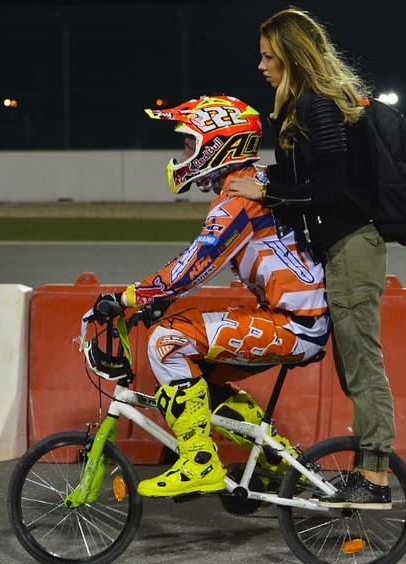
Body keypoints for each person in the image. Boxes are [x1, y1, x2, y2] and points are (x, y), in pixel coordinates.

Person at [92, 95, 329, 498]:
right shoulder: (256, 185)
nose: (183, 154)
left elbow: (194, 266)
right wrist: (160, 299)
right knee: (203, 381)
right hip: (296, 319)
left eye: (189, 144)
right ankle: (277, 464)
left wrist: (129, 296)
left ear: (219, 147)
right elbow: (201, 266)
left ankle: (199, 462)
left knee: (168, 342)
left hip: (295, 325)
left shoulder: (239, 200)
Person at [227, 7, 395, 510]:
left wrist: (265, 192)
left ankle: (376, 480)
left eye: (267, 55)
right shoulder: (304, 104)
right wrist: (260, 181)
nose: (261, 65)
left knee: (363, 367)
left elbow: (324, 190)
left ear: (292, 55)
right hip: (339, 251)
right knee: (353, 368)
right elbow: (305, 181)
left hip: (352, 251)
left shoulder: (318, 105)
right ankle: (369, 472)